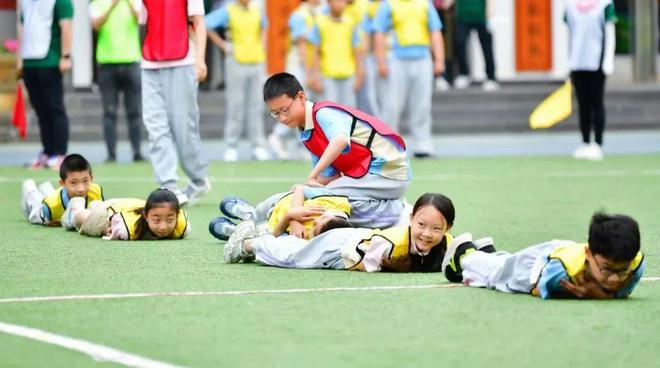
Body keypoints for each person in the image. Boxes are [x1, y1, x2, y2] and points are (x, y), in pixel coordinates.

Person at [263, 72, 411, 203]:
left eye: (285, 110)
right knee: (307, 195)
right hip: (371, 176)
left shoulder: (323, 113)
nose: (282, 118)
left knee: (322, 199)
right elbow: (330, 178)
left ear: (301, 97)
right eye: (275, 113)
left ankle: (398, 214)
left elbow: (340, 140)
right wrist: (301, 188)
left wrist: (311, 179)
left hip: (389, 169)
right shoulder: (307, 133)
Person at [223, 193, 457, 274]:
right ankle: (247, 244)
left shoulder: (447, 245)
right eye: (421, 225)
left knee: (294, 252)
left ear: (448, 229)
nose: (427, 234)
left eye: (437, 229)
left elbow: (465, 252)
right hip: (343, 247)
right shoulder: (392, 243)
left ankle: (260, 234)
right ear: (411, 220)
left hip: (346, 248)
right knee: (294, 257)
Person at [442, 213, 645, 299]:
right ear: (588, 254)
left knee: (507, 263)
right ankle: (465, 253)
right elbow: (538, 289)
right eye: (607, 269)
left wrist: (601, 293)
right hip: (540, 267)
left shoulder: (633, 264)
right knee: (497, 276)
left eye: (622, 271)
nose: (615, 278)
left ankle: (487, 251)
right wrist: (592, 295)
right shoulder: (562, 271)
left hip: (563, 250)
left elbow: (621, 285)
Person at [139, 0, 211, 205]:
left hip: (183, 61)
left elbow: (198, 21)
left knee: (183, 128)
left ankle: (198, 180)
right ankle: (168, 185)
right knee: (155, 125)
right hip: (150, 63)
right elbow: (143, 23)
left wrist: (200, 59)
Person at [373, 0, 445, 158]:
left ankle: (422, 144)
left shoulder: (425, 4)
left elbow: (435, 31)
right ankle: (388, 145)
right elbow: (378, 34)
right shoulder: (388, 5)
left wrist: (439, 59)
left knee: (422, 104)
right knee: (391, 105)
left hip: (422, 58)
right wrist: (381, 62)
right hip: (396, 60)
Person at [205, 0, 271, 162]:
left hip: (256, 61)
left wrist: (262, 46)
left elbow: (264, 27)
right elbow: (206, 24)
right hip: (236, 60)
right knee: (236, 104)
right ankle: (231, 146)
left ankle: (257, 146)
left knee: (256, 105)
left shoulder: (257, 10)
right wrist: (223, 45)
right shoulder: (228, 10)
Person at [17, 0, 73, 169]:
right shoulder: (26, 2)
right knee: (41, 110)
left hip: (49, 60)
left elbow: (66, 26)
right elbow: (22, 28)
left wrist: (65, 56)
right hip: (29, 62)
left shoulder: (60, 1)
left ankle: (60, 154)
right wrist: (20, 59)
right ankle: (47, 152)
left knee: (55, 108)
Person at [90, 0, 144, 163]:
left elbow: (141, 19)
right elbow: (96, 25)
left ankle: (137, 152)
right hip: (107, 63)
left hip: (131, 61)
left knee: (134, 111)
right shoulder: (97, 3)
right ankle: (111, 153)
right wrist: (112, 5)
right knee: (109, 112)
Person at [268, 0, 322, 160]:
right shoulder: (299, 15)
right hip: (299, 66)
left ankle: (303, 144)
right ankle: (277, 135)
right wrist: (310, 73)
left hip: (312, 67)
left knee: (309, 108)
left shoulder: (319, 12)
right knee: (299, 106)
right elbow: (302, 46)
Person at [566, 0, 616, 161]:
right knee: (582, 104)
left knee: (596, 102)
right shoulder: (571, 5)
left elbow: (609, 32)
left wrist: (608, 61)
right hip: (577, 62)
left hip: (596, 62)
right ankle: (585, 141)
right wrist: (568, 60)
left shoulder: (605, 4)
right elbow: (570, 33)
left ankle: (598, 143)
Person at [209, 184, 351, 241]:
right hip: (277, 202)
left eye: (315, 228)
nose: (313, 222)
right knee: (255, 213)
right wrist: (296, 219)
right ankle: (249, 215)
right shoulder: (337, 202)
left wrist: (289, 217)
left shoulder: (311, 242)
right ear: (331, 215)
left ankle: (238, 232)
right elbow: (299, 188)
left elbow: (273, 238)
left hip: (269, 228)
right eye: (320, 219)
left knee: (257, 237)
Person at [66, 188, 189, 240]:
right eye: (157, 220)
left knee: (96, 206)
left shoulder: (182, 227)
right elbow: (111, 229)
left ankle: (95, 203)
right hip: (109, 213)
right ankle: (76, 205)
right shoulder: (125, 228)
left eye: (169, 220)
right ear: (146, 216)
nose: (163, 227)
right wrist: (107, 230)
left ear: (177, 216)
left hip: (123, 204)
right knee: (83, 218)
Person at [21, 154, 104, 228]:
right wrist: (50, 221)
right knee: (34, 204)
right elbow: (41, 219)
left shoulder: (96, 191)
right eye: (74, 183)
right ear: (62, 183)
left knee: (53, 195)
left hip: (58, 196)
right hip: (43, 207)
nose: (81, 189)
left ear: (91, 179)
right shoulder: (50, 207)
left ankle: (46, 187)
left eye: (85, 181)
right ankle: (29, 187)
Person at [307, 0, 364, 107]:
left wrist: (359, 74)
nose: (341, 4)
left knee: (349, 111)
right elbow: (315, 52)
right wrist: (314, 76)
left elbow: (356, 50)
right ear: (329, 2)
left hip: (348, 74)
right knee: (330, 110)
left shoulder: (350, 23)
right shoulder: (320, 23)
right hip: (328, 75)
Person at [449, 0, 498, 91]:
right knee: (459, 43)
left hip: (481, 17)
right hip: (463, 17)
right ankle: (463, 73)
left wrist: (490, 16)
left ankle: (491, 77)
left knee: (486, 47)